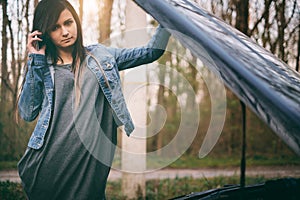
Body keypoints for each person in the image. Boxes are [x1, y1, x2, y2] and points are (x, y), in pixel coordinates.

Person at [17, 0, 170, 199]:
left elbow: (151, 52)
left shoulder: (100, 56)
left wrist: (169, 20)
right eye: (55, 27)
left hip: (88, 165)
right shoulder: (41, 65)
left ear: (76, 23)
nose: (65, 32)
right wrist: (35, 60)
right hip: (49, 163)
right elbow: (27, 113)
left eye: (68, 23)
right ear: (44, 33)